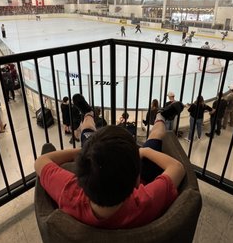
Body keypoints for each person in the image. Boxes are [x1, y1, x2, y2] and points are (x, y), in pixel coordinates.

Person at [34, 94, 186, 229]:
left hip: (104, 162)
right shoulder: (145, 202)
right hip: (129, 167)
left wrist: (87, 152)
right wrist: (144, 151)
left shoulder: (69, 193)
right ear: (136, 181)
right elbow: (177, 167)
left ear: (80, 176)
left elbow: (41, 161)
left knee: (87, 131)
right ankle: (161, 117)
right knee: (156, 136)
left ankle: (88, 113)